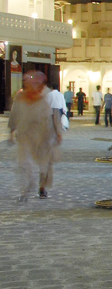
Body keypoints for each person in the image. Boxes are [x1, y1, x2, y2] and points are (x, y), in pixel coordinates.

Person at [8, 71, 62, 200]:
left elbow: (55, 114)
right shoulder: (20, 96)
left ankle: (42, 187)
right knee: (23, 162)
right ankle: (26, 186)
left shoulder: (47, 95)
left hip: (44, 133)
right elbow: (14, 113)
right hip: (25, 133)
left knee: (45, 163)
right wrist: (12, 130)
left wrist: (58, 132)